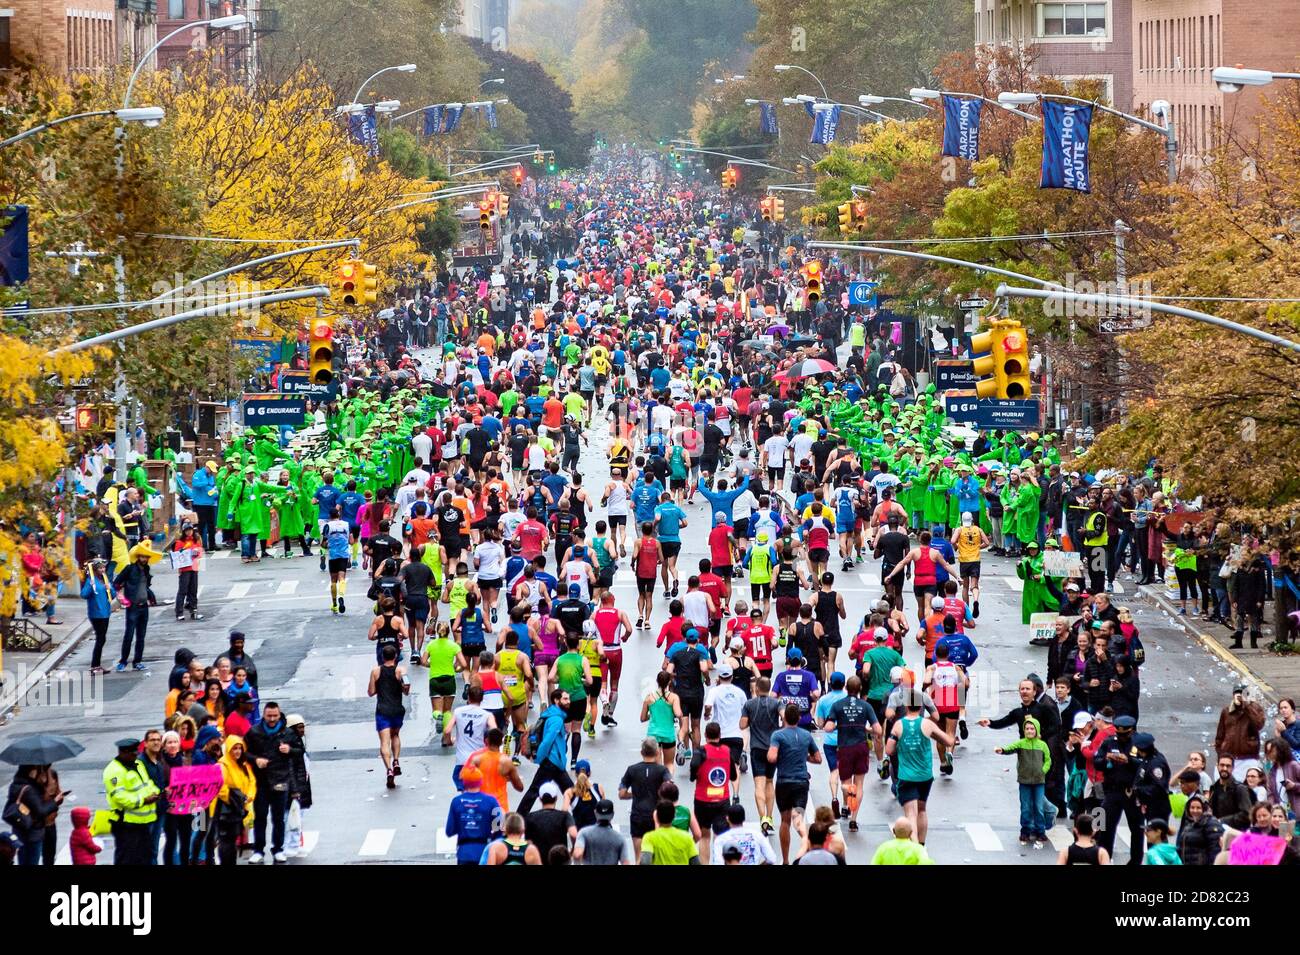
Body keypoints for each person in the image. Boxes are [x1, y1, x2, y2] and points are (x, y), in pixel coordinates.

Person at [886, 701, 955, 847]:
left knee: (911, 813)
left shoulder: (899, 725)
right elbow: (948, 741)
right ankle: (921, 845)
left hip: (906, 775)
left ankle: (915, 847)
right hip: (925, 775)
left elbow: (888, 750)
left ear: (906, 707)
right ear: (921, 707)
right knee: (922, 809)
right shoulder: (928, 725)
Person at [767, 702, 822, 865]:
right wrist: (803, 756)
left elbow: (771, 757)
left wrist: (780, 755)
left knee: (785, 821)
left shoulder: (778, 735)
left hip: (784, 782)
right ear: (799, 718)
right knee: (798, 818)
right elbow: (818, 759)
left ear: (784, 718)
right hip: (801, 782)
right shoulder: (806, 735)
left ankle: (785, 860)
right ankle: (808, 841)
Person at [993, 717, 1054, 848]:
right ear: (1024, 730)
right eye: (1027, 729)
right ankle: (1025, 831)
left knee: (1039, 807)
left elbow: (1048, 760)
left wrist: (1043, 770)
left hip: (1039, 781)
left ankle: (1040, 831)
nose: (1029, 731)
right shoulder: (1021, 743)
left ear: (1036, 730)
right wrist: (1002, 750)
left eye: (1032, 729)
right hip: (1024, 781)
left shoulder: (1042, 745)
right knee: (1025, 807)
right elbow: (1011, 748)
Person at [102, 738, 160, 865]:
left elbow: (147, 783)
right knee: (127, 858)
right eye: (133, 753)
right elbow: (119, 796)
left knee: (145, 856)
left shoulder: (138, 765)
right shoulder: (113, 771)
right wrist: (143, 800)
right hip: (125, 822)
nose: (136, 755)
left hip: (142, 821)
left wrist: (155, 792)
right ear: (124, 752)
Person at [740, 676, 782, 835]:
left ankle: (762, 817)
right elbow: (784, 716)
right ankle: (770, 817)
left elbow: (742, 724)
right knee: (770, 782)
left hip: (757, 747)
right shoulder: (776, 703)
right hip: (772, 747)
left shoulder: (749, 704)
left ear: (757, 689)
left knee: (759, 784)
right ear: (770, 688)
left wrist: (750, 718)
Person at [619, 738, 672, 856]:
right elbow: (669, 789)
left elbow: (621, 794)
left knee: (639, 856)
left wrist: (635, 793)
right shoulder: (663, 771)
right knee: (656, 855)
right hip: (657, 817)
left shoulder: (632, 770)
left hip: (637, 816)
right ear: (657, 752)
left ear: (641, 753)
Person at [368, 644, 411, 790]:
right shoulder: (400, 670)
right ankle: (397, 761)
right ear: (395, 657)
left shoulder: (376, 671)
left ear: (382, 656)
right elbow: (406, 689)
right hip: (397, 709)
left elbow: (371, 692)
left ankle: (389, 769)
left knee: (384, 742)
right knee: (396, 736)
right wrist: (403, 687)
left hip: (382, 710)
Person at [444, 765, 503, 865]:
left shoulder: (456, 802)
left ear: (464, 783)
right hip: (485, 852)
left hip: (464, 852)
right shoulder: (491, 801)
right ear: (480, 782)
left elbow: (449, 831)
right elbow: (500, 828)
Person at [1214, 684, 1265, 781]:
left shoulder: (1254, 709)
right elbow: (1220, 735)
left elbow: (1259, 724)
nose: (1239, 696)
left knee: (1247, 788)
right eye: (1236, 693)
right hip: (1229, 757)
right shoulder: (1226, 711)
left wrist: (1246, 705)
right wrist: (1220, 754)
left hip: (1248, 758)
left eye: (1241, 693)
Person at [525, 782, 577, 865]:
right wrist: (573, 850)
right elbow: (573, 834)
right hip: (560, 859)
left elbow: (527, 842)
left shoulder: (530, 817)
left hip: (539, 860)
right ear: (556, 798)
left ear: (540, 799)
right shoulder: (564, 816)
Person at [710, 803, 778, 865]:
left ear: (727, 819)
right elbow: (771, 859)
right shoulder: (757, 835)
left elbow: (718, 862)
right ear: (744, 819)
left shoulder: (721, 839)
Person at [572, 798, 634, 865]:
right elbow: (625, 862)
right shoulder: (619, 838)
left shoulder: (584, 833)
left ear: (595, 813)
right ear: (612, 815)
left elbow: (577, 855)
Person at [639, 800, 700, 865]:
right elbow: (695, 862)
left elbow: (645, 861)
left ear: (656, 817)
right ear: (673, 816)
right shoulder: (687, 837)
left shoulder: (649, 837)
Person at [869, 817, 935, 865]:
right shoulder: (918, 849)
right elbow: (925, 862)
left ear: (894, 831)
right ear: (911, 833)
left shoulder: (884, 847)